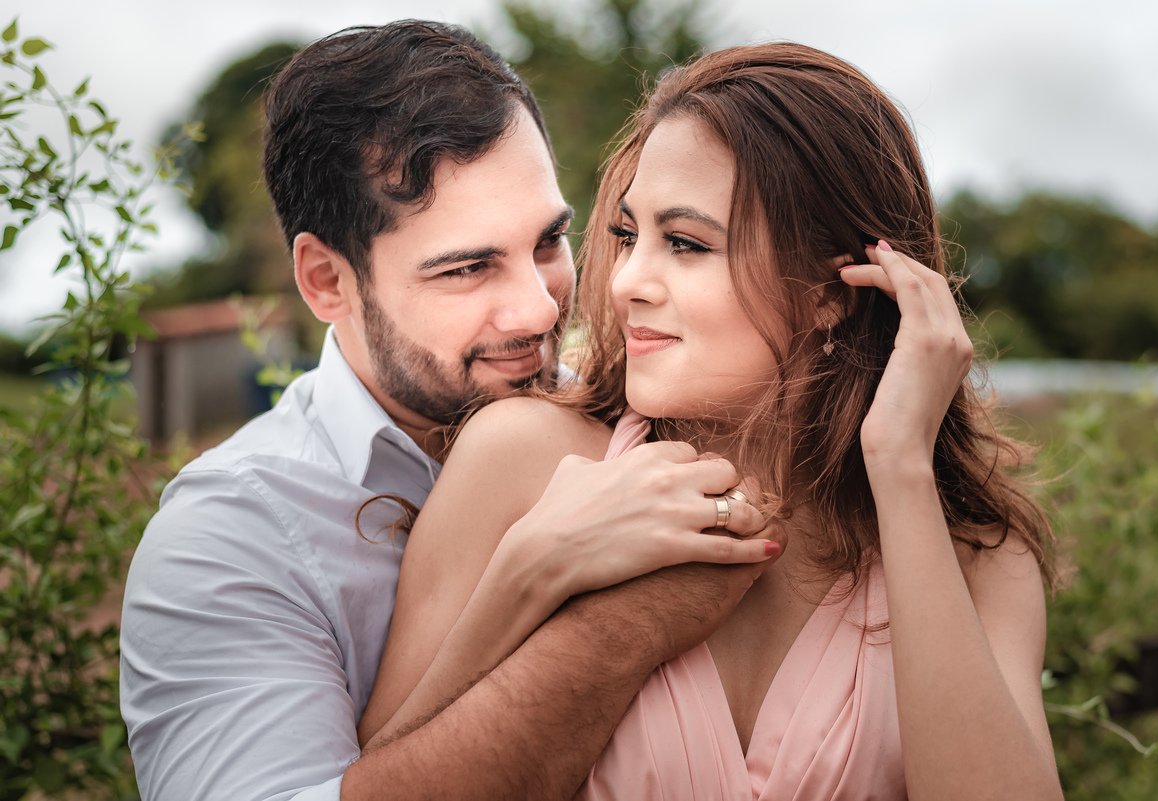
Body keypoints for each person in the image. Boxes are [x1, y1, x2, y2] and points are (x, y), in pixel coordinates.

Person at [357, 43, 1064, 800]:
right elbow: (380, 779)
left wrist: (899, 465)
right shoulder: (524, 460)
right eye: (629, 236)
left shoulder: (980, 556)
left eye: (687, 244)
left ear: (834, 292)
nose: (626, 283)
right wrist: (529, 571)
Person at [119, 22, 782, 801]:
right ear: (328, 280)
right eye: (468, 269)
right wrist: (607, 621)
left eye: (548, 241)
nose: (539, 312)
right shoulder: (228, 541)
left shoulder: (642, 418)